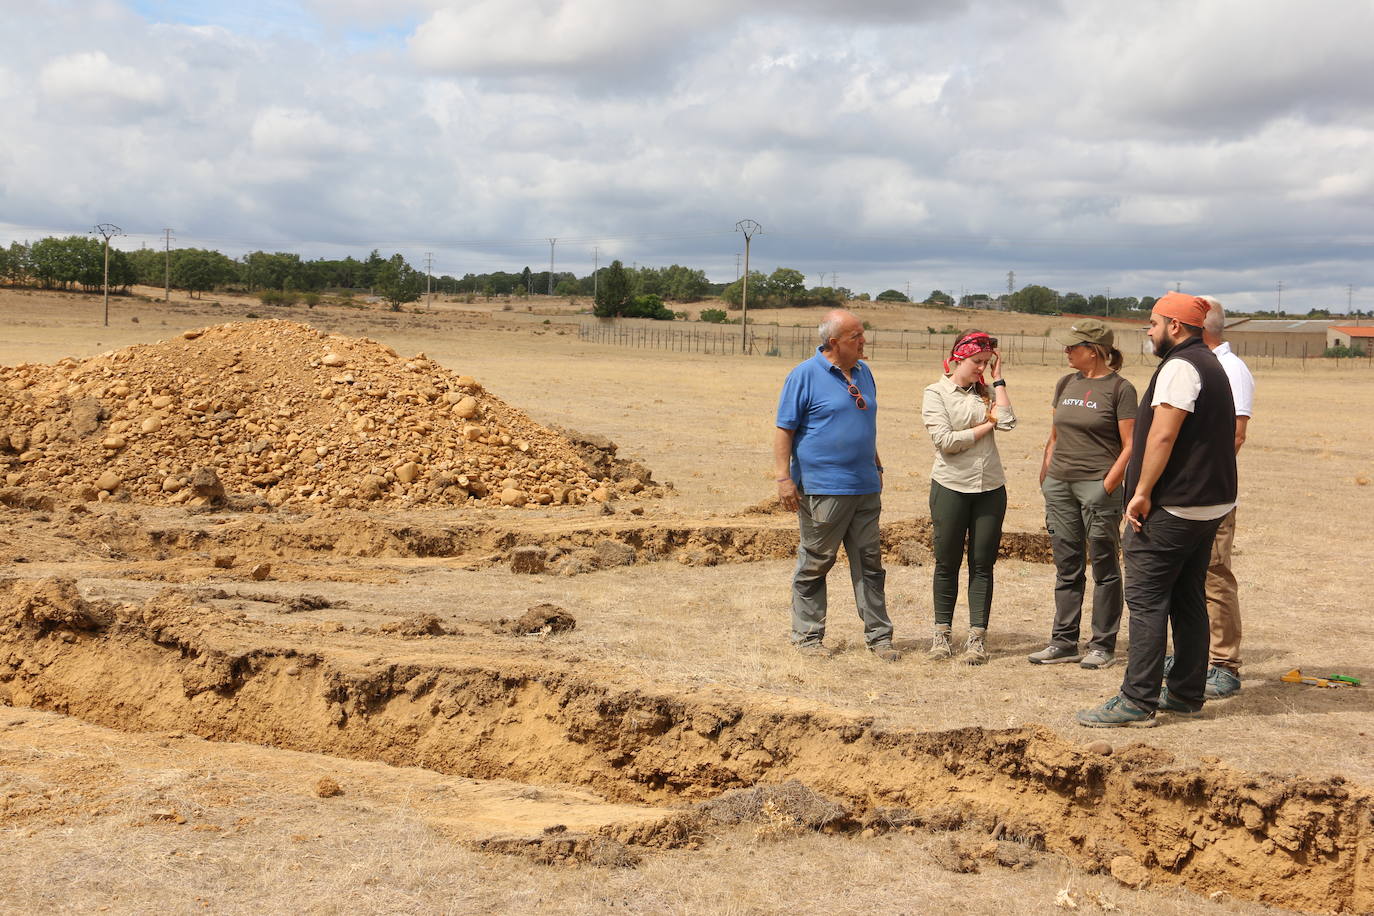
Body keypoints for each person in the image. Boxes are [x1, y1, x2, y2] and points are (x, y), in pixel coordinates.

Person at [1078, 293, 1237, 727]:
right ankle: (1185, 693)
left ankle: (1137, 699)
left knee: (1146, 601)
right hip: (1209, 505)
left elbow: (1163, 437)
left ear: (1175, 326)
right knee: (1188, 598)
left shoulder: (1181, 367)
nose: (1148, 330)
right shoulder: (1210, 362)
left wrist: (1143, 491)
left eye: (1153, 323)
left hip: (1176, 505)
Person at [774, 309, 899, 661]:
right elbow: (784, 429)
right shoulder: (804, 375)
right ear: (833, 343)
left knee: (870, 563)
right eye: (855, 336)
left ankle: (880, 638)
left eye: (862, 334)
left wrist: (876, 463)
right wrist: (784, 478)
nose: (864, 341)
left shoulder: (864, 372)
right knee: (815, 562)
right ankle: (808, 638)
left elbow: (863, 422)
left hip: (864, 486)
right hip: (823, 488)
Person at [1030, 319, 1137, 669]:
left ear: (1093, 351)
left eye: (1072, 347)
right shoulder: (1066, 383)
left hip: (1097, 487)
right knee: (1067, 566)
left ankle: (1103, 645)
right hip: (1059, 485)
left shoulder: (1121, 389)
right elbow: (1055, 433)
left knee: (1104, 567)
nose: (1066, 351)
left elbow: (1131, 445)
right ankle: (1063, 642)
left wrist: (1107, 485)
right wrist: (1046, 473)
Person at [920, 330, 1016, 664]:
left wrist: (999, 381)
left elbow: (1009, 422)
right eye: (977, 362)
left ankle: (977, 638)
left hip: (990, 488)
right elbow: (946, 441)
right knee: (946, 562)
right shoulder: (935, 393)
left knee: (982, 564)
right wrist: (987, 424)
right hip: (951, 486)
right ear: (958, 358)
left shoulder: (988, 391)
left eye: (987, 363)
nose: (981, 368)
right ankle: (941, 635)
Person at [1197, 296, 1255, 697]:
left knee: (1215, 576)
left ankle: (1224, 664)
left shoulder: (1230, 369)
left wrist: (1204, 482)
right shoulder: (1202, 363)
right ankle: (1197, 655)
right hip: (1191, 495)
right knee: (1193, 577)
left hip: (1210, 494)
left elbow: (1235, 434)